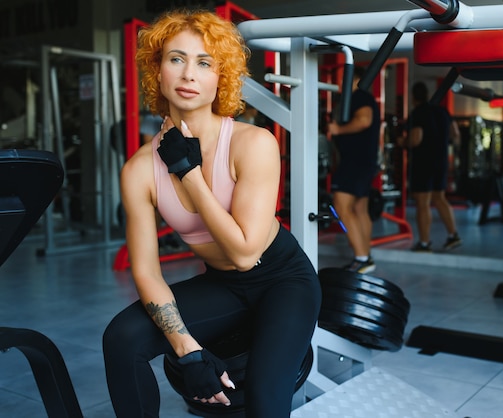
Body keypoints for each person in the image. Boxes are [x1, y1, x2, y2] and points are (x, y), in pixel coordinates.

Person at [102, 9, 321, 418]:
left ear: (220, 77)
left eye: (204, 63)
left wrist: (188, 173)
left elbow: (244, 254)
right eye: (176, 59)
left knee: (263, 399)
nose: (188, 75)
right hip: (223, 285)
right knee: (121, 338)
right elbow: (147, 271)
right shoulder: (137, 170)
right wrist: (187, 350)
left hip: (282, 280)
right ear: (157, 70)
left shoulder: (251, 143)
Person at [327, 66, 380, 274]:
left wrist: (338, 129)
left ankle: (362, 258)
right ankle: (365, 254)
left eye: (344, 78)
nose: (341, 83)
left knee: (341, 204)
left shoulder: (360, 97)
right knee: (359, 208)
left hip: (355, 162)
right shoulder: (363, 98)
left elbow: (364, 120)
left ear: (356, 79)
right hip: (363, 161)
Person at [398, 81, 461, 252]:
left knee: (422, 203)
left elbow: (416, 138)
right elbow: (455, 134)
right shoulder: (443, 112)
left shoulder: (418, 113)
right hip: (440, 161)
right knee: (440, 198)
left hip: (423, 162)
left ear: (413, 97)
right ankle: (453, 235)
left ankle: (424, 243)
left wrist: (403, 142)